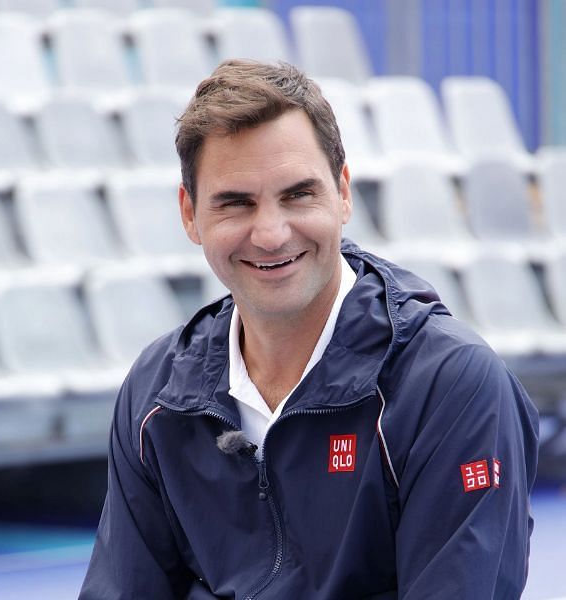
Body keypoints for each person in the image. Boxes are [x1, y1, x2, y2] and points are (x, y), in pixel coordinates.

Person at [79, 60, 538, 599]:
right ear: (190, 214)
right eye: (235, 203)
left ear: (343, 193)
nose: (271, 234)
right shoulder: (156, 394)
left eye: (298, 195)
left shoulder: (450, 385)